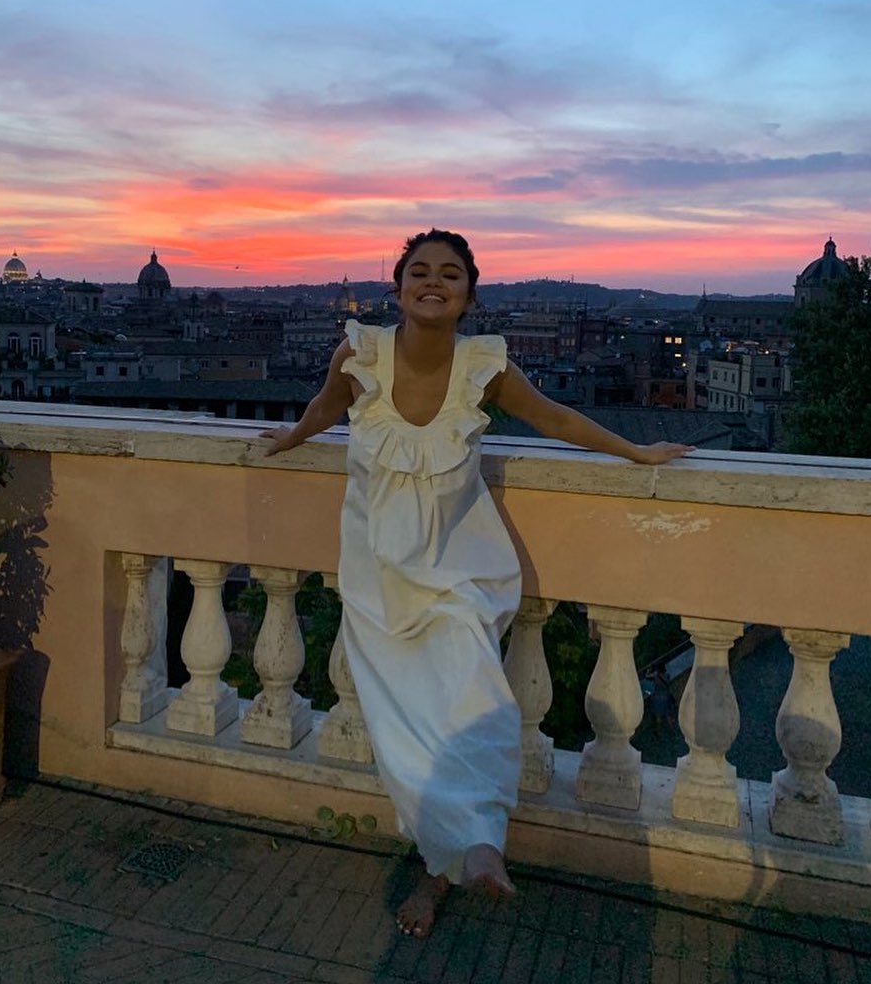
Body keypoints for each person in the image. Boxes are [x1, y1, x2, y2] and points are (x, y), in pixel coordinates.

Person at [260, 229, 692, 937]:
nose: (433, 281)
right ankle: (441, 867)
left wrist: (635, 451)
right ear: (398, 286)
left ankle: (484, 841)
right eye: (419, 271)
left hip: (460, 567)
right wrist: (289, 439)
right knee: (405, 728)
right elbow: (324, 408)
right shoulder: (359, 354)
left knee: (477, 700)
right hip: (378, 574)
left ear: (468, 294)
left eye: (450, 273)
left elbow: (554, 417)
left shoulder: (484, 368)